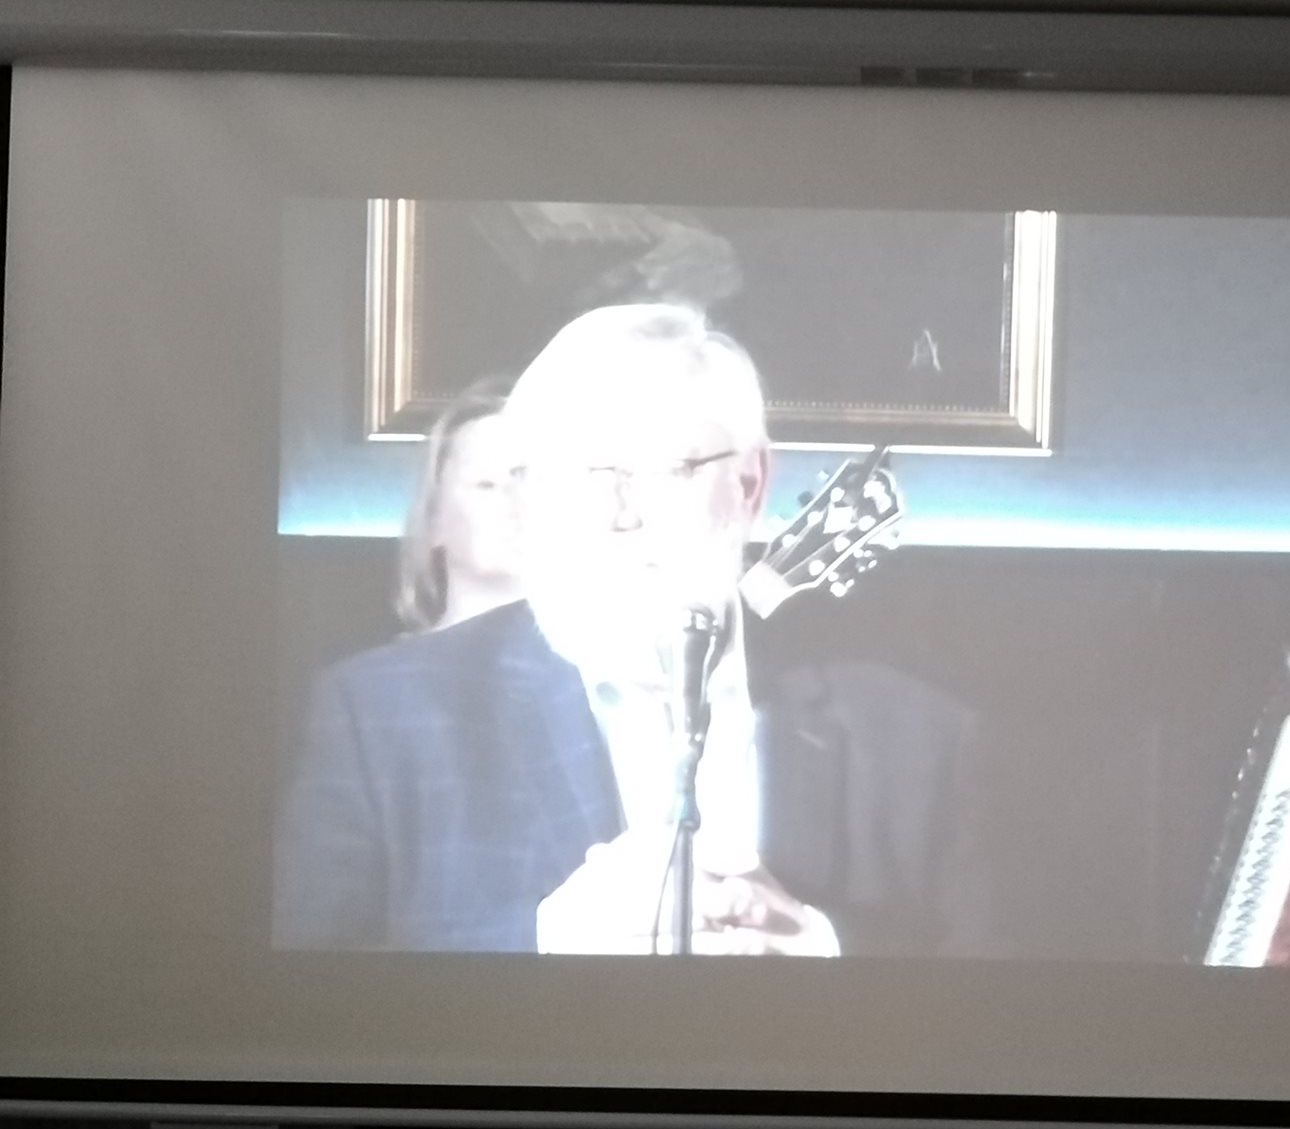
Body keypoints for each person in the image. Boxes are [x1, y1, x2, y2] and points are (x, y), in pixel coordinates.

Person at [274, 303, 986, 955]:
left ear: (749, 486)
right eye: (565, 474)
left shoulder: (919, 737)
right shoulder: (379, 716)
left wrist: (823, 951)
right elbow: (295, 1011)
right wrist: (542, 945)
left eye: (657, 470)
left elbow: (1002, 1006)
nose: (611, 515)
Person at [394, 379, 523, 633]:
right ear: (433, 518)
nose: (518, 501)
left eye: (535, 481)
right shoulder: (393, 664)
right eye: (487, 484)